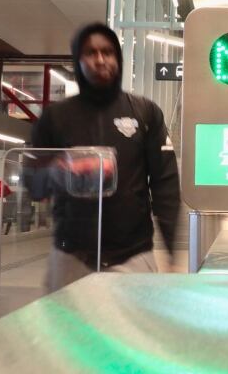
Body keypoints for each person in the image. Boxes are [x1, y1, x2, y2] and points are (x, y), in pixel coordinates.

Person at [31, 22, 181, 291]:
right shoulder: (56, 117)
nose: (100, 60)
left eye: (108, 52)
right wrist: (58, 170)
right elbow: (32, 181)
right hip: (70, 257)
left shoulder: (145, 113)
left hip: (133, 256)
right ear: (78, 60)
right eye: (90, 53)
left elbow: (165, 186)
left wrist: (174, 251)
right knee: (65, 332)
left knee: (131, 333)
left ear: (118, 59)